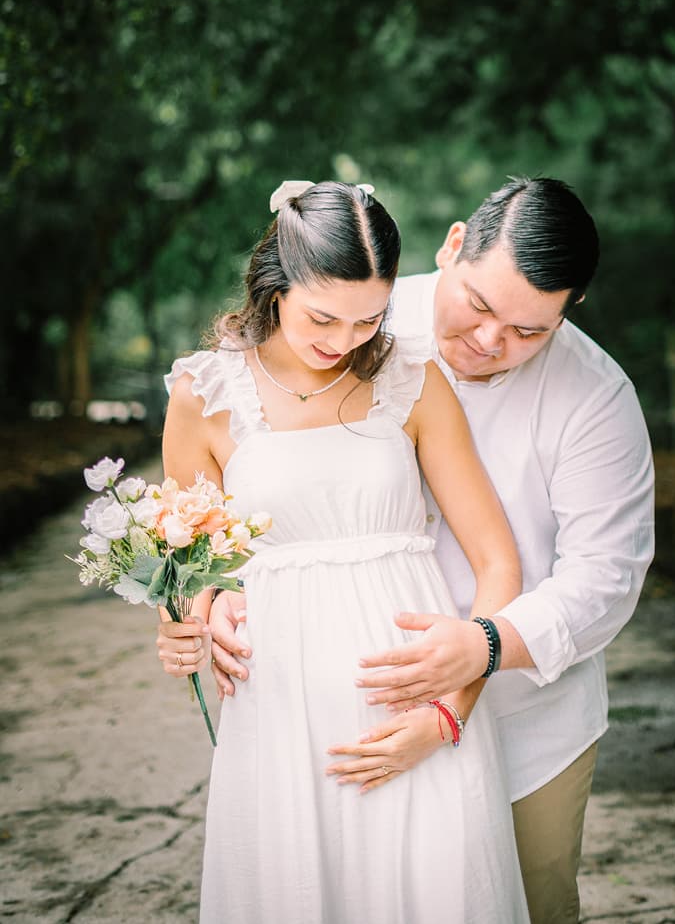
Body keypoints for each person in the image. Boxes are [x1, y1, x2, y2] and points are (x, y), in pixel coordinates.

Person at [199, 176, 655, 924]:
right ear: (451, 249)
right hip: (339, 710)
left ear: (569, 311)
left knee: (523, 899)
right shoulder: (357, 312)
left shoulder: (597, 397)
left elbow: (606, 579)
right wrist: (205, 601)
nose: (488, 341)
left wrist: (478, 653)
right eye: (478, 305)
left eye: (528, 331)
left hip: (525, 709)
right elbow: (247, 492)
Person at [157, 179, 530, 923]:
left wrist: (448, 713)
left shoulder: (413, 381)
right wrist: (189, 620)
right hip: (280, 718)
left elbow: (498, 563)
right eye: (322, 317)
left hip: (419, 711)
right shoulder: (205, 395)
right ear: (274, 287)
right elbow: (190, 570)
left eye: (369, 319)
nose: (345, 340)